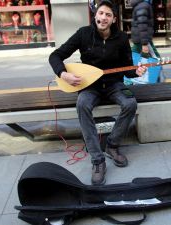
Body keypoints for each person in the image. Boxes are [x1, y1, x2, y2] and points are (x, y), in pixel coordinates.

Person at [49, 0, 146, 185]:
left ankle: (112, 145)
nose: (103, 17)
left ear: (114, 19)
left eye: (108, 15)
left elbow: (127, 68)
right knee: (82, 104)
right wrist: (63, 74)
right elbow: (55, 56)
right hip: (89, 85)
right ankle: (97, 160)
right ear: (95, 15)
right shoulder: (83, 34)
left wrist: (137, 71)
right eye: (101, 13)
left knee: (130, 103)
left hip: (113, 84)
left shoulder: (122, 38)